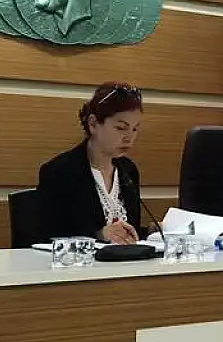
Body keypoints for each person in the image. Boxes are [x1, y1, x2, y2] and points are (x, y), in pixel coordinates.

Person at [36, 82, 146, 245]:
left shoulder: (129, 170)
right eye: (121, 128)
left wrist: (151, 231)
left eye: (135, 129)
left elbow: (130, 231)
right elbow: (48, 236)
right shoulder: (60, 172)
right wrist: (99, 234)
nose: (129, 137)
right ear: (93, 124)